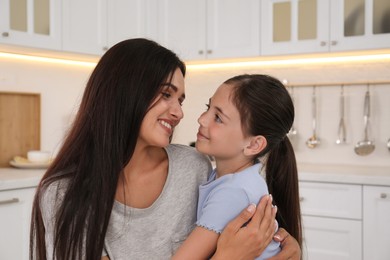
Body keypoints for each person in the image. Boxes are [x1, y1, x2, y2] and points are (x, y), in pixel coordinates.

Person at [29, 38, 301, 260]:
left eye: (180, 100)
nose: (180, 113)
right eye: (166, 94)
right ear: (125, 92)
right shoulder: (63, 193)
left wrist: (289, 249)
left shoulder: (193, 167)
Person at [173, 74, 302, 259]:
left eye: (218, 117)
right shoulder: (239, 180)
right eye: (208, 108)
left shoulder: (233, 192)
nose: (202, 119)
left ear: (253, 145)